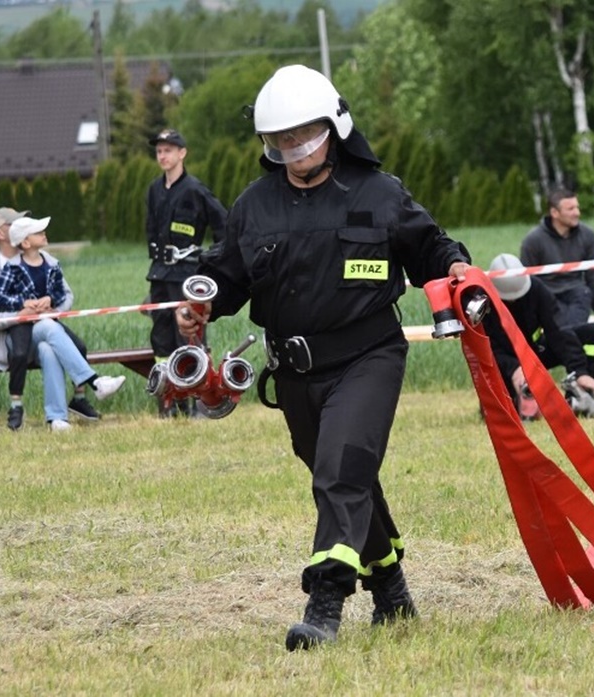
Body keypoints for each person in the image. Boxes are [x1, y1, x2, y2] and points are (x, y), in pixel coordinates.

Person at [175, 64, 471, 651]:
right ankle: (392, 591)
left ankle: (325, 604)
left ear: (334, 127)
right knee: (346, 477)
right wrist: (199, 306)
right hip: (293, 373)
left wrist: (456, 267)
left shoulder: (379, 193)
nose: (292, 146)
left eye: (302, 133)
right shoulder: (254, 205)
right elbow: (227, 277)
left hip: (368, 356)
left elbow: (430, 249)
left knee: (339, 471)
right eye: (279, 138)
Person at [0, 215, 125, 431]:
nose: (44, 233)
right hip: (24, 331)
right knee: (47, 326)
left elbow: (60, 292)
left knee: (48, 349)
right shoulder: (12, 267)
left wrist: (50, 300)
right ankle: (95, 382)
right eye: (38, 232)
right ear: (26, 242)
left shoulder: (52, 264)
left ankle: (57, 418)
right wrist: (23, 304)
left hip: (46, 328)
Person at [144, 128, 228, 418]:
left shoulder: (195, 190)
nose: (162, 155)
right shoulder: (154, 190)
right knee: (162, 339)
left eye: (168, 150)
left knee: (189, 338)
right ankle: (170, 402)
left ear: (182, 153)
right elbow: (150, 230)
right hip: (159, 275)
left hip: (185, 277)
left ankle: (199, 402)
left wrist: (210, 263)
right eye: (159, 151)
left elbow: (224, 228)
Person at [484, 253, 594, 419]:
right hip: (504, 363)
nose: (513, 301)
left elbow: (558, 331)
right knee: (509, 414)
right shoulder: (482, 303)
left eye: (518, 297)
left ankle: (582, 394)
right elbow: (487, 350)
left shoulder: (536, 289)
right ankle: (521, 400)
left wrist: (579, 371)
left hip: (535, 353)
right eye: (508, 299)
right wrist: (514, 369)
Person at [519, 187, 594, 383]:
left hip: (578, 293)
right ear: (554, 212)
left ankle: (584, 377)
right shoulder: (533, 240)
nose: (577, 212)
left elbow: (593, 277)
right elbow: (526, 283)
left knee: (574, 322)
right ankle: (579, 376)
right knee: (574, 332)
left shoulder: (588, 235)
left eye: (577, 207)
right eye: (570, 208)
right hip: (546, 296)